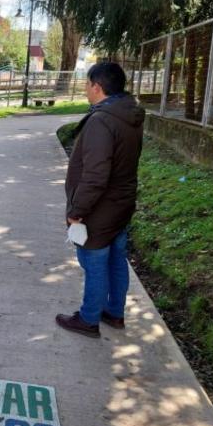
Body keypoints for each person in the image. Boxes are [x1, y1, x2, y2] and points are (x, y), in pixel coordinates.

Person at [55, 62, 145, 338]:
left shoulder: (102, 120)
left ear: (97, 86)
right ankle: (114, 313)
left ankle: (89, 318)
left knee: (94, 264)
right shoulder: (128, 114)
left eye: (86, 84)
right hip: (121, 204)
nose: (85, 89)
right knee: (116, 260)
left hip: (100, 210)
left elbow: (95, 175)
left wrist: (77, 211)